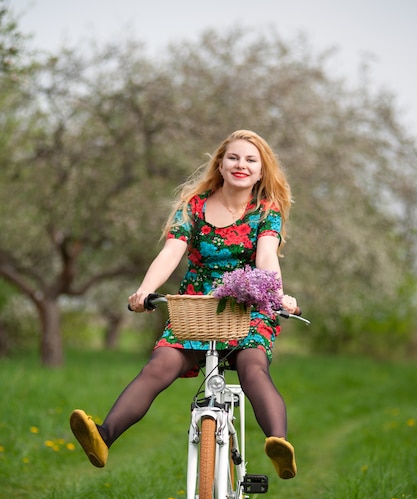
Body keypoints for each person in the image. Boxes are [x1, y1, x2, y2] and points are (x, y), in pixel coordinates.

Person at [70, 129, 299, 479]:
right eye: (234, 157)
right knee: (159, 365)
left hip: (246, 310)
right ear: (220, 164)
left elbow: (267, 255)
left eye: (251, 160)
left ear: (261, 170)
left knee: (253, 367)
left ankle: (278, 444)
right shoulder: (193, 207)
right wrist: (144, 290)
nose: (241, 165)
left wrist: (275, 294)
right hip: (196, 310)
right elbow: (171, 252)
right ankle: (103, 437)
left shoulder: (266, 210)